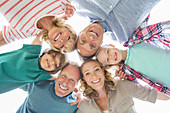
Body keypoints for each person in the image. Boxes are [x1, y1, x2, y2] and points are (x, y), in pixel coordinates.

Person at [96, 17, 170, 96]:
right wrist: (122, 80)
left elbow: (143, 19)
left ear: (111, 45)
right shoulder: (126, 71)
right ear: (110, 64)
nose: (110, 56)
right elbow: (138, 88)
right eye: (107, 60)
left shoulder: (134, 41)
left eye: (107, 51)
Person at [73, 0, 160, 57]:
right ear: (101, 43)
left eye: (83, 40)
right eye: (93, 45)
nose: (91, 38)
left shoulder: (79, 6)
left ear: (80, 32)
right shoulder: (124, 38)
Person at [77, 60, 170, 113]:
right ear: (84, 79)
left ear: (103, 71)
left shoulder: (122, 85)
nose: (94, 76)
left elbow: (160, 95)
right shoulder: (83, 105)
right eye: (87, 73)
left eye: (96, 69)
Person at [0, 32, 66, 94]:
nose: (52, 62)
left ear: (53, 70)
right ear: (46, 53)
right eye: (53, 56)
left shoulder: (41, 74)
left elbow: (60, 80)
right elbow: (41, 34)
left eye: (55, 65)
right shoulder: (33, 52)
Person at [0, 0, 76, 53]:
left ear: (53, 46)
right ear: (68, 29)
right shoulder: (62, 4)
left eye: (62, 46)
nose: (62, 41)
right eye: (68, 38)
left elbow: (3, 38)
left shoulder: (28, 31)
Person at [16, 63, 81, 113]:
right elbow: (15, 76)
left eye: (72, 80)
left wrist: (80, 92)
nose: (65, 83)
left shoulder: (75, 104)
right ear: (58, 75)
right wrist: (41, 74)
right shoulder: (39, 83)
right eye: (64, 76)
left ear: (77, 84)